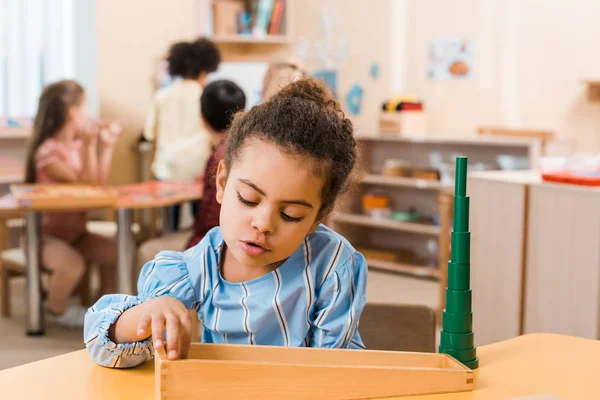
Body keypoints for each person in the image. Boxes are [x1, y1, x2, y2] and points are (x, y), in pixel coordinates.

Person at [85, 78, 367, 368]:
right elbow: (98, 340)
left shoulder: (332, 264)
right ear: (222, 182)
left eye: (290, 215)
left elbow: (333, 372)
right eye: (247, 198)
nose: (263, 224)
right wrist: (149, 311)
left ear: (318, 217)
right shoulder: (201, 264)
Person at [24, 80, 121, 328]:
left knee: (116, 252)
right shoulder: (49, 153)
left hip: (76, 234)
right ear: (72, 112)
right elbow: (85, 185)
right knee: (71, 264)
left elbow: (97, 185)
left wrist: (106, 146)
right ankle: (55, 310)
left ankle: (101, 308)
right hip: (45, 238)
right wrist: (91, 144)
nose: (89, 115)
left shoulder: (76, 146)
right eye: (85, 108)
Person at [136, 80, 247, 272]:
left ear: (202, 118)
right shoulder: (245, 148)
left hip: (217, 242)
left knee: (146, 251)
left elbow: (209, 223)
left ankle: (148, 301)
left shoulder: (219, 157)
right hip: (239, 236)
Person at [144, 38, 221, 231]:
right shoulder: (204, 96)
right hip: (199, 171)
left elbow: (149, 134)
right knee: (201, 219)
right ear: (204, 70)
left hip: (167, 171)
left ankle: (168, 242)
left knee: (170, 222)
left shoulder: (161, 96)